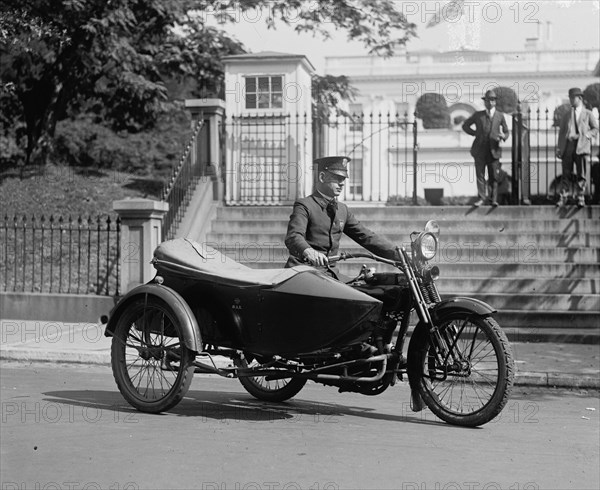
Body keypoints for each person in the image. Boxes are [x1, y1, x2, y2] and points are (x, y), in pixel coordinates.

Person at [284, 156, 397, 274]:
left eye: (343, 179)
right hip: (303, 272)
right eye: (337, 178)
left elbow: (366, 237)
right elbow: (293, 236)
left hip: (330, 275)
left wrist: (399, 254)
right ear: (322, 177)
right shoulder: (305, 205)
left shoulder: (342, 209)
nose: (342, 183)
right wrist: (308, 251)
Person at [462, 89, 510, 207]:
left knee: (494, 176)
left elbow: (506, 131)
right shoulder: (479, 115)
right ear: (485, 102)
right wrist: (475, 133)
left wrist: (503, 136)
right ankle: (481, 198)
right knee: (480, 175)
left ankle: (493, 199)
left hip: (494, 150)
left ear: (495, 102)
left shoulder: (500, 116)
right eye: (488, 100)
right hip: (479, 150)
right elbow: (465, 125)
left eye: (492, 100)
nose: (490, 103)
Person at [555, 87, 599, 208]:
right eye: (569, 97)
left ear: (579, 98)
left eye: (572, 97)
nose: (570, 100)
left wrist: (586, 135)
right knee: (566, 174)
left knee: (582, 174)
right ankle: (563, 197)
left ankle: (580, 197)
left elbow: (595, 129)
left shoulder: (588, 114)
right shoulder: (566, 115)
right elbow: (561, 133)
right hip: (568, 147)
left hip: (582, 146)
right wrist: (559, 148)